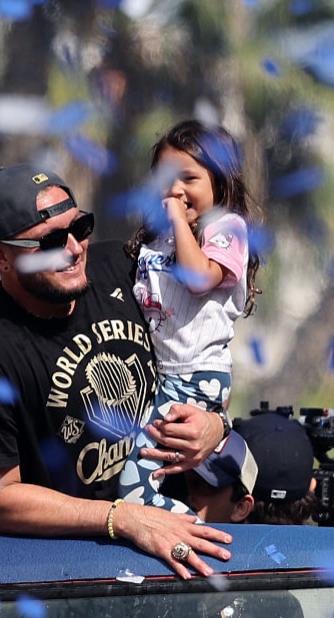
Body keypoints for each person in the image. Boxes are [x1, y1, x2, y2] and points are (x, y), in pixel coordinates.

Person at [0, 164, 234, 578]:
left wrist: (215, 425)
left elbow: (201, 355)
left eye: (80, 227)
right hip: (71, 580)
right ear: (1, 256)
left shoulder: (123, 266)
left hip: (177, 549)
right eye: (49, 241)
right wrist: (123, 518)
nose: (75, 248)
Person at [121, 120, 259, 514]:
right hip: (162, 376)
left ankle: (195, 535)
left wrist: (179, 221)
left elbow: (200, 277)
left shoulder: (226, 229)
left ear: (219, 183)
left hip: (195, 377)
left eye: (189, 178)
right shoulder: (157, 240)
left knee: (134, 489)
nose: (175, 189)